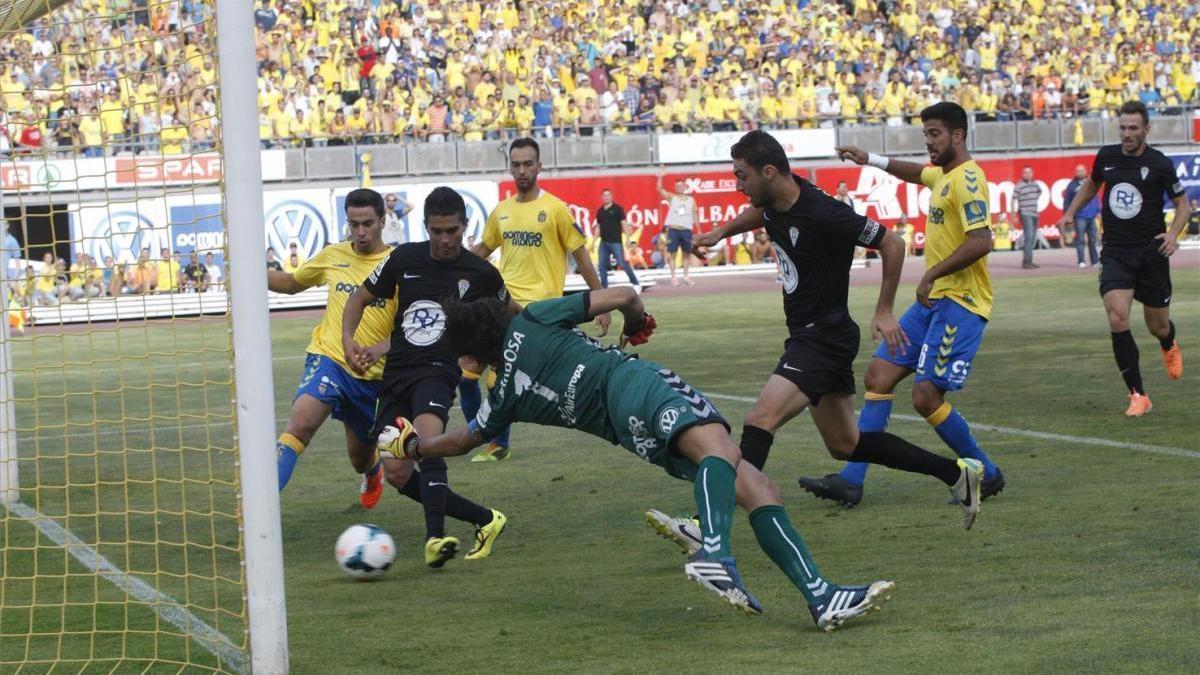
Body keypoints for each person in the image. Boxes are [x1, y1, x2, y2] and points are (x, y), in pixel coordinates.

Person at [378, 288, 896, 632]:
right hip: (633, 384)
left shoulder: (503, 396)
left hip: (629, 435)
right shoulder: (535, 318)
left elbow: (465, 440)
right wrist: (638, 319)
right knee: (722, 446)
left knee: (759, 487)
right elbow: (625, 295)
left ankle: (821, 596)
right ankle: (713, 552)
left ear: (471, 358)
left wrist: (413, 447)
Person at [664, 129, 985, 532]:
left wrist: (884, 309)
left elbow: (893, 243)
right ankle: (957, 474)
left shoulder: (823, 211)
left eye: (742, 175)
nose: (737, 183)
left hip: (823, 337)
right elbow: (761, 213)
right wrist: (719, 233)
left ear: (767, 172)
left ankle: (706, 526)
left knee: (760, 419)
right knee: (845, 445)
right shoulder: (778, 197)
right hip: (811, 335)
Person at [796, 102, 1005, 507]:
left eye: (935, 134)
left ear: (958, 136)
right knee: (878, 375)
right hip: (934, 303)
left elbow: (982, 240)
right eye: (925, 134)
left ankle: (987, 473)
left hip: (960, 303)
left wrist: (930, 274)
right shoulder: (942, 175)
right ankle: (851, 480)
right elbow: (916, 173)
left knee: (926, 397)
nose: (928, 142)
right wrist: (869, 159)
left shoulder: (969, 179)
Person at [342, 186, 509, 567]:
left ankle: (435, 537)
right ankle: (486, 519)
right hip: (396, 372)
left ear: (465, 227)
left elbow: (510, 311)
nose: (445, 239)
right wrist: (348, 340)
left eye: (452, 231)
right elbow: (359, 299)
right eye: (437, 231)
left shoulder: (480, 272)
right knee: (398, 470)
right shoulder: (404, 258)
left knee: (426, 439)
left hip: (438, 370)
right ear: (426, 227)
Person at [460, 137, 609, 462]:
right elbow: (482, 252)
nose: (522, 170)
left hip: (539, 313)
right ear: (510, 167)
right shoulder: (502, 212)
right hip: (501, 307)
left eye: (528, 164)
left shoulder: (555, 209)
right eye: (517, 164)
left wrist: (602, 300)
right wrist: (453, 267)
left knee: (497, 378)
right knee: (466, 375)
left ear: (539, 166)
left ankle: (498, 443)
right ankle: (481, 437)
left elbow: (581, 257)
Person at [1057, 100, 1190, 416]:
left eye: (1133, 128)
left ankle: (1168, 342)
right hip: (1116, 251)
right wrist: (1070, 213)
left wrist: (1172, 236)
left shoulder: (1160, 164)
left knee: (1157, 325)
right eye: (1123, 128)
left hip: (1151, 253)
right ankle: (1138, 394)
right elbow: (1091, 186)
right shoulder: (1107, 157)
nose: (1127, 134)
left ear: (1146, 129)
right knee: (1117, 316)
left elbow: (1183, 205)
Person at [656, 170, 699, 286]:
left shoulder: (691, 200)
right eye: (676, 186)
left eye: (681, 186)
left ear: (685, 186)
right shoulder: (672, 197)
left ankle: (686, 276)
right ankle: (673, 277)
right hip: (674, 229)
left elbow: (695, 214)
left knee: (686, 253)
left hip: (686, 229)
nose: (678, 188)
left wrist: (699, 229)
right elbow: (659, 189)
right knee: (671, 253)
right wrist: (660, 176)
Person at [595, 188, 640, 290]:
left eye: (608, 195)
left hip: (615, 242)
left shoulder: (617, 209)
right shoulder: (600, 211)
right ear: (602, 197)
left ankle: (636, 283)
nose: (606, 197)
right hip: (604, 242)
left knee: (622, 264)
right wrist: (593, 242)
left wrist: (628, 238)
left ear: (611, 197)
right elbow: (598, 227)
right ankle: (604, 288)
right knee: (602, 266)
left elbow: (624, 223)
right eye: (604, 195)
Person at [1063, 164, 1101, 268]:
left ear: (1086, 171)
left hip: (1091, 216)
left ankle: (1095, 261)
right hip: (1080, 216)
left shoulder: (1091, 182)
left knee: (1093, 240)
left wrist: (1098, 210)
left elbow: (1096, 196)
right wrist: (1067, 214)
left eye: (1082, 170)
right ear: (1075, 172)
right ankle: (1081, 261)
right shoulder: (1072, 185)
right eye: (1078, 171)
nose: (1080, 172)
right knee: (1080, 239)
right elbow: (1067, 201)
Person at [1012, 166, 1042, 269]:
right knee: (1029, 236)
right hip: (1025, 213)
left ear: (1032, 173)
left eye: (1029, 172)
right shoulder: (1019, 185)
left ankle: (1029, 260)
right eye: (1025, 172)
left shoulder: (1035, 184)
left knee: (1032, 237)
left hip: (1034, 213)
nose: (1028, 174)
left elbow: (1039, 191)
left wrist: (1034, 199)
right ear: (1022, 174)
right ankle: (1026, 261)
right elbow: (1013, 199)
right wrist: (1013, 215)